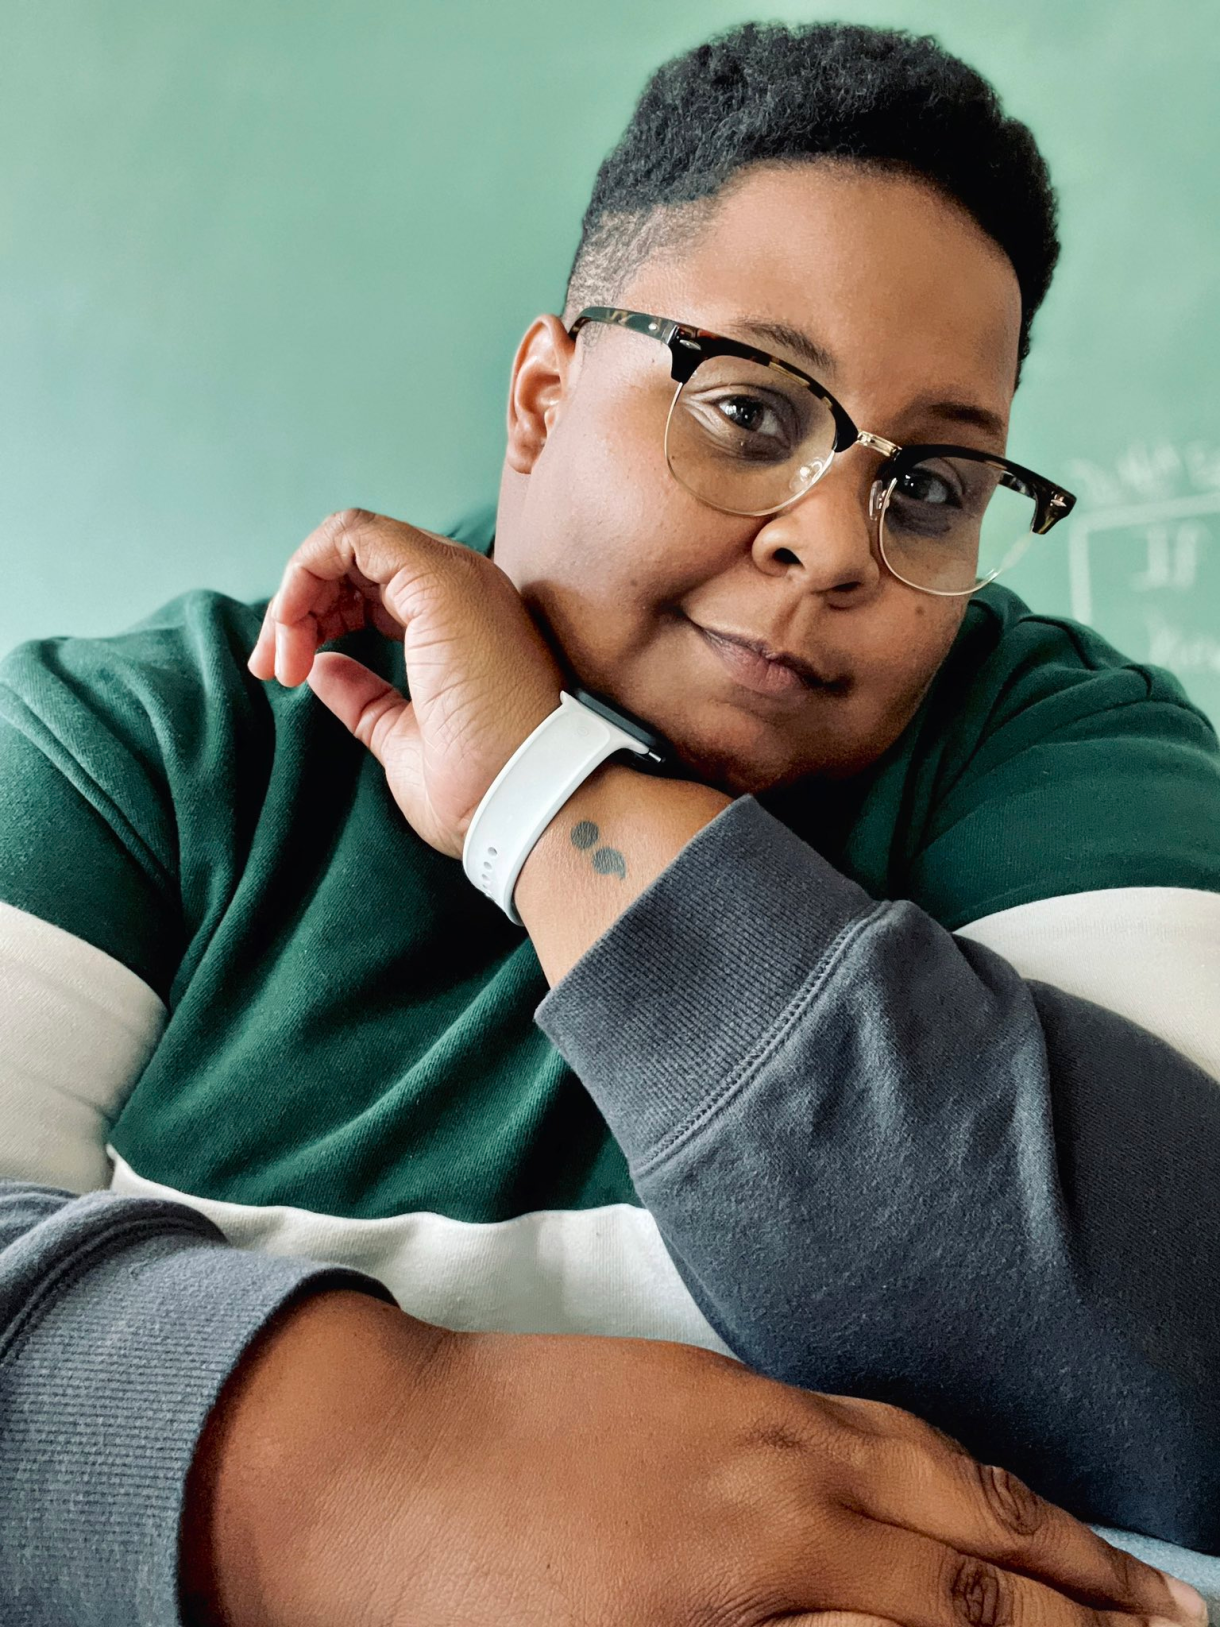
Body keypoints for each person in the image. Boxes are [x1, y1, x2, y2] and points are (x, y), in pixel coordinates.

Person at [1, 18, 1218, 1626]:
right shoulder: (145, 741)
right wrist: (382, 1474)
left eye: (928, 485)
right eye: (750, 409)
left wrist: (542, 798)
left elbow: (1171, 1362)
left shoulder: (1068, 748)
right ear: (540, 398)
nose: (833, 543)